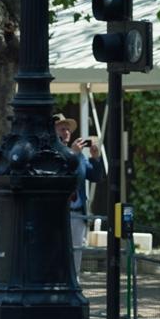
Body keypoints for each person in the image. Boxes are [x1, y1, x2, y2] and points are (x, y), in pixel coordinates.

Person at [57, 113, 104, 277]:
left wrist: (95, 158)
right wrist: (73, 155)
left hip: (78, 214)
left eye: (68, 130)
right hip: (59, 214)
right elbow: (65, 176)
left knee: (77, 252)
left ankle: (74, 283)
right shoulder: (53, 153)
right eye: (62, 129)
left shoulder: (78, 156)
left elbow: (96, 177)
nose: (67, 133)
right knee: (58, 251)